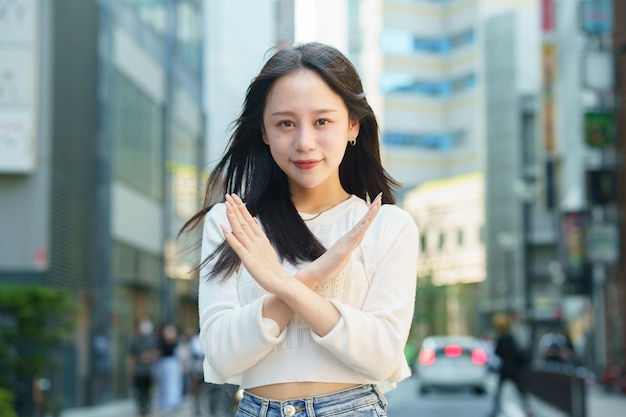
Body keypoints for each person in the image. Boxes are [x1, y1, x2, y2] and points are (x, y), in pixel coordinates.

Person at [179, 42, 419, 417]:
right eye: (285, 123)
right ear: (263, 130)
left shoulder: (388, 225)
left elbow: (382, 355)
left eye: (322, 121)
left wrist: (286, 284)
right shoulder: (232, 223)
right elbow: (221, 355)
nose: (304, 142)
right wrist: (311, 277)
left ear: (353, 125)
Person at [489, 313, 531, 417]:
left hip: (505, 368)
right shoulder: (511, 337)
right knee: (520, 390)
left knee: (499, 391)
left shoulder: (501, 338)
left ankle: (495, 410)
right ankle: (528, 409)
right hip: (513, 368)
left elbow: (497, 352)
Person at [126, 316, 159, 417]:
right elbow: (131, 357)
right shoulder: (134, 340)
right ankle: (141, 409)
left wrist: (149, 357)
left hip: (149, 371)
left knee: (147, 391)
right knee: (138, 391)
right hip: (138, 371)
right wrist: (129, 370)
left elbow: (157, 352)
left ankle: (147, 408)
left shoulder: (152, 339)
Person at [155, 322, 184, 416]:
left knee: (174, 384)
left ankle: (173, 403)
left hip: (173, 363)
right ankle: (165, 404)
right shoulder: (160, 340)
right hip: (163, 363)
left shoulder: (177, 340)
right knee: (164, 384)